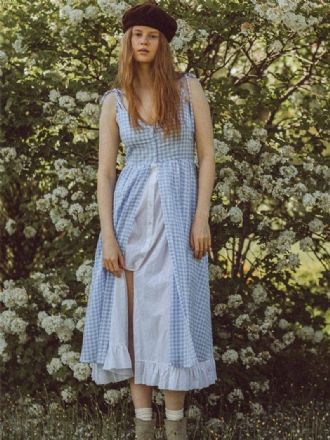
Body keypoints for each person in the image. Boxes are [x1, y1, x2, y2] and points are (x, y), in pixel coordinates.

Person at [80, 3, 217, 439]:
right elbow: (104, 173)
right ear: (127, 40)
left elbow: (207, 156)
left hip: (180, 213)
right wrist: (108, 238)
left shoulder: (188, 86)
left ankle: (174, 427)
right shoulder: (114, 100)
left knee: (173, 309)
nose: (143, 41)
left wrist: (202, 217)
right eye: (137, 34)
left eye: (152, 35)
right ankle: (143, 427)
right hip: (131, 213)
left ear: (163, 43)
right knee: (135, 314)